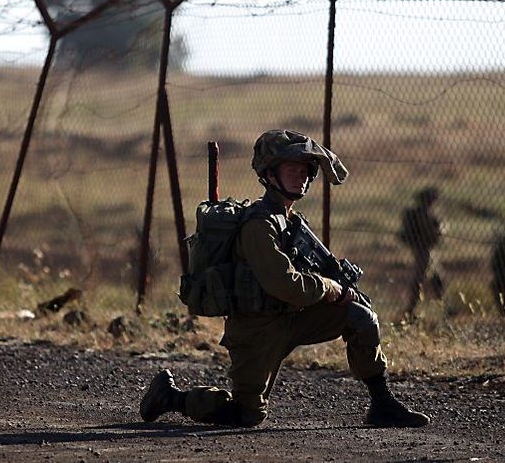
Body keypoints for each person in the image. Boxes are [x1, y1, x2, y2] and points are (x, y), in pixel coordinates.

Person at [140, 130, 428, 428]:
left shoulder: (291, 222)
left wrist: (336, 285)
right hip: (257, 329)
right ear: (269, 173)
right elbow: (284, 283)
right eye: (292, 169)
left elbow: (300, 283)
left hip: (292, 317)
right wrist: (330, 287)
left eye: (305, 170)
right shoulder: (258, 224)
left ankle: (382, 404)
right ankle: (171, 397)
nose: (300, 176)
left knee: (360, 317)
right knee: (245, 415)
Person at [399, 186, 445, 318]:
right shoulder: (425, 215)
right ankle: (411, 311)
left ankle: (439, 307)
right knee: (420, 279)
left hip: (424, 250)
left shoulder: (421, 213)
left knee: (435, 278)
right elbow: (434, 232)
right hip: (424, 250)